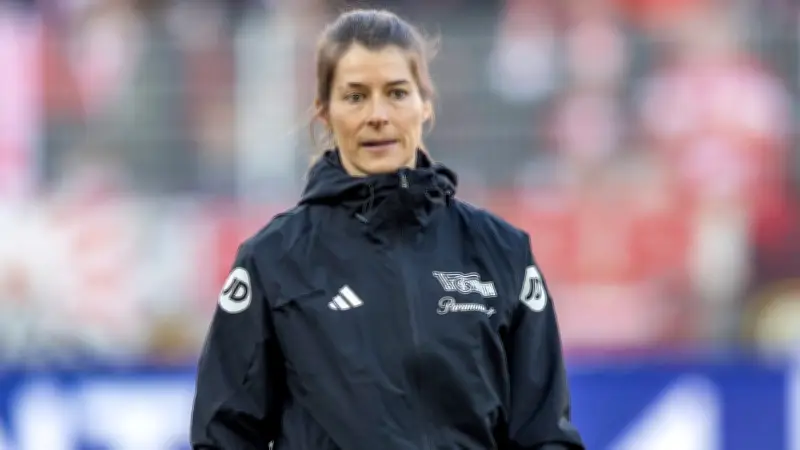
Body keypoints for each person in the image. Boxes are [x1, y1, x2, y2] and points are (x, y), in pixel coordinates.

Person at [190, 8, 584, 450]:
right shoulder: (272, 262)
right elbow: (223, 436)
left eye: (396, 93)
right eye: (355, 96)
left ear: (425, 103)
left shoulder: (502, 252)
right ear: (324, 112)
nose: (377, 115)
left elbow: (546, 434)